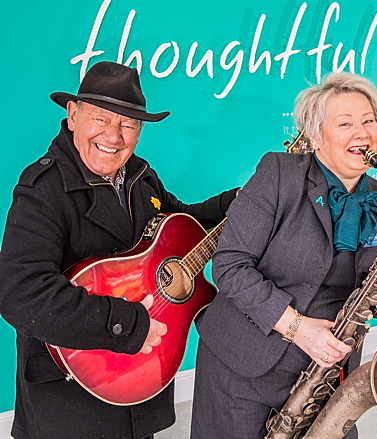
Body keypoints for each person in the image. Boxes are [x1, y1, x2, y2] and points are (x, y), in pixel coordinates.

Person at [0, 61, 238, 439]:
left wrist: (240, 201)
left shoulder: (141, 177)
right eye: (101, 118)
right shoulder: (41, 189)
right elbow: (20, 292)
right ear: (73, 115)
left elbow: (182, 226)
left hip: (138, 385)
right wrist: (127, 324)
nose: (113, 135)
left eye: (128, 124)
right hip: (70, 403)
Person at [190, 72, 377, 439]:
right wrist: (299, 328)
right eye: (345, 124)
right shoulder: (278, 174)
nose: (362, 134)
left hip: (325, 374)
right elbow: (229, 267)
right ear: (315, 135)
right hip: (245, 364)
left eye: (368, 121)